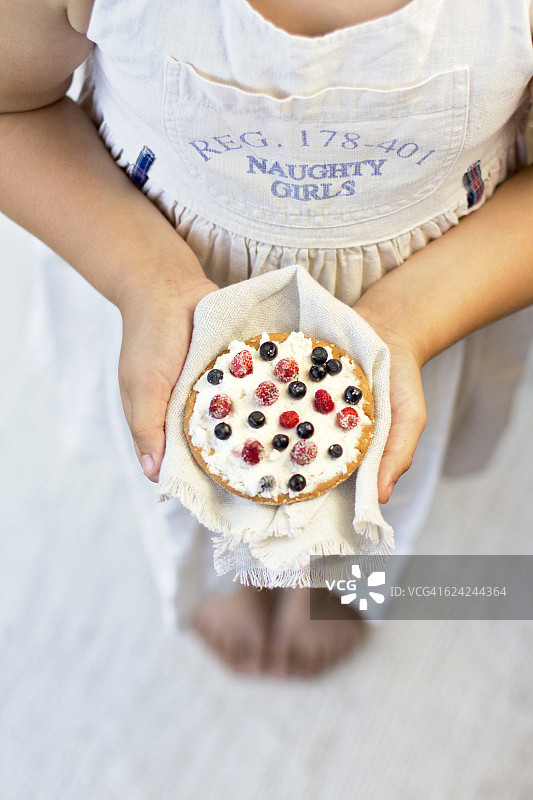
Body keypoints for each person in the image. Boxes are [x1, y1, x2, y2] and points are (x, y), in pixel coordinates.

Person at [1, 0, 533, 678]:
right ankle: (237, 573)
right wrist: (145, 279)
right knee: (194, 468)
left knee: (362, 488)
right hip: (150, 265)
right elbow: (12, 108)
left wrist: (409, 318)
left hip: (445, 289)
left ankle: (318, 574)